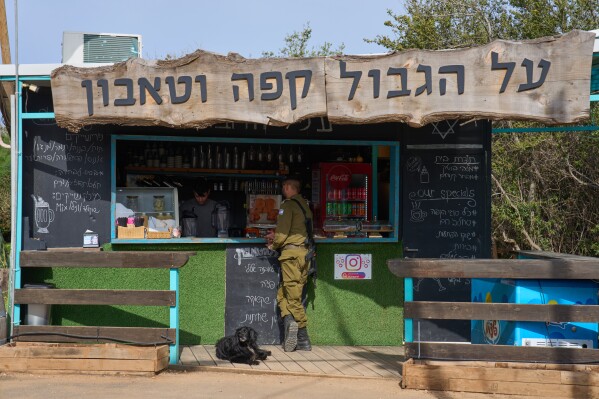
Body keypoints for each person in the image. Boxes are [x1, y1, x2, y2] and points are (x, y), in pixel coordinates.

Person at [266, 178, 313, 352]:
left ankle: (303, 337)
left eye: (284, 187)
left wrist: (274, 244)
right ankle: (290, 323)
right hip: (304, 256)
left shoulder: (288, 205)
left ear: (287, 187)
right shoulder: (305, 205)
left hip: (291, 256)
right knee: (284, 293)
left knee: (292, 298)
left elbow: (283, 233)